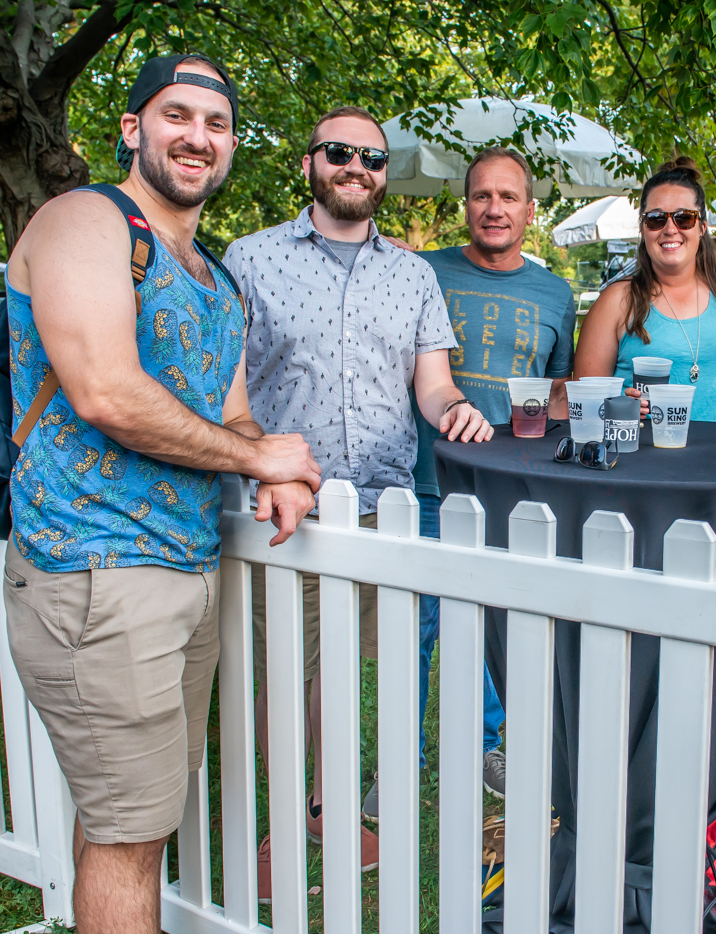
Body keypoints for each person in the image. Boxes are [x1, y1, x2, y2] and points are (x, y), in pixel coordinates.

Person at [1, 55, 320, 934]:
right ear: (132, 127)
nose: (198, 137)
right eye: (177, 115)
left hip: (185, 572)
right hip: (95, 570)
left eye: (217, 124)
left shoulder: (215, 277)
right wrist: (255, 458)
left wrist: (276, 468)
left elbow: (235, 412)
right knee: (128, 835)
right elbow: (105, 391)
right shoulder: (84, 221)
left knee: (126, 820)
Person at [224, 104, 494, 894]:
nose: (357, 168)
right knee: (284, 672)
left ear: (384, 176)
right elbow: (226, 385)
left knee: (341, 672)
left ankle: (323, 807)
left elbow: (433, 383)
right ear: (309, 163)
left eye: (373, 159)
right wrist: (260, 463)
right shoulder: (250, 258)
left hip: (382, 506)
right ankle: (281, 824)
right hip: (286, 507)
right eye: (339, 153)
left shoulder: (412, 275)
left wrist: (456, 409)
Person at [413, 146, 578, 794]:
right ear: (466, 205)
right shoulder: (423, 272)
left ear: (530, 211)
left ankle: (485, 747)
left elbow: (557, 392)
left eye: (508, 196)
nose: (494, 208)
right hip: (425, 481)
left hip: (507, 489)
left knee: (491, 627)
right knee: (414, 625)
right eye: (482, 195)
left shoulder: (555, 294)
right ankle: (402, 757)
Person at [574, 157, 716, 424]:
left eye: (684, 218)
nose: (670, 229)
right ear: (643, 229)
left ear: (702, 227)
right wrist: (618, 406)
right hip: (640, 451)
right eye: (655, 219)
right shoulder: (616, 300)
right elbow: (585, 402)